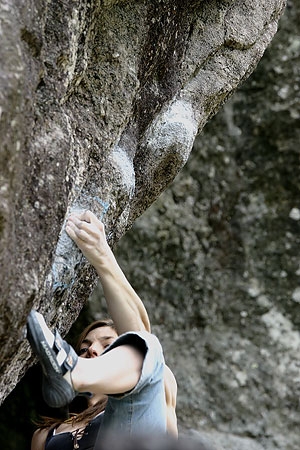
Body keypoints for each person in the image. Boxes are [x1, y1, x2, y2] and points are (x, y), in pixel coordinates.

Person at [29, 210, 177, 450]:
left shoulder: (161, 388)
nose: (92, 350)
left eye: (108, 345)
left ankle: (73, 371)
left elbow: (142, 335)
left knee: (150, 350)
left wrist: (102, 255)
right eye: (83, 348)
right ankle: (72, 372)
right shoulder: (45, 435)